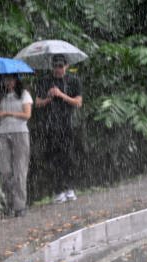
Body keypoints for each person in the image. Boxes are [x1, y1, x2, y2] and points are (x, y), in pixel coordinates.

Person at [35, 54, 83, 203]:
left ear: (66, 66)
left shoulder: (73, 81)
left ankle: (70, 188)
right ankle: (58, 189)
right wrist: (48, 98)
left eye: (61, 66)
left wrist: (62, 95)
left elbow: (78, 103)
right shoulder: (45, 81)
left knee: (67, 156)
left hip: (68, 124)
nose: (58, 69)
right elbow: (37, 103)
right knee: (53, 157)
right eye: (56, 66)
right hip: (51, 125)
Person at [0, 74, 33, 217]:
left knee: (19, 170)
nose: (8, 82)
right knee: (5, 170)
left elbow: (27, 114)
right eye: (5, 79)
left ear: (16, 80)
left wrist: (7, 112)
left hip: (20, 133)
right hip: (3, 133)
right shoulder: (0, 96)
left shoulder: (24, 95)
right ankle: (8, 203)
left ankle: (19, 206)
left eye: (11, 79)